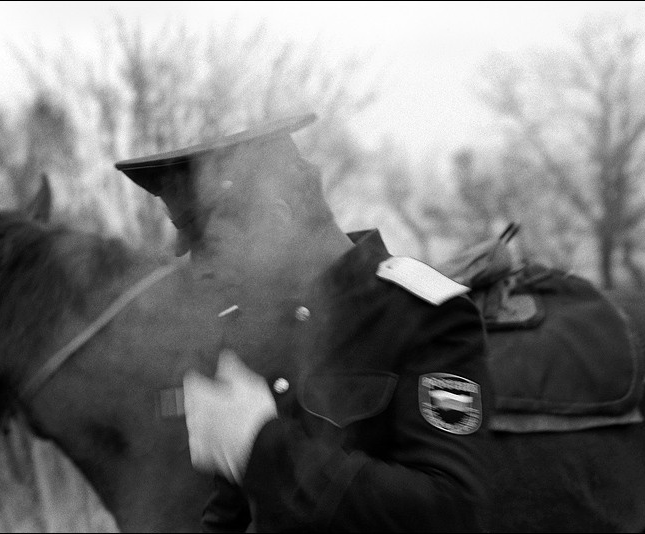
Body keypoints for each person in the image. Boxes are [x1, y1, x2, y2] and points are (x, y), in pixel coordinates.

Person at [115, 113, 494, 532]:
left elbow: (450, 511)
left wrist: (263, 446)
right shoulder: (240, 335)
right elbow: (228, 518)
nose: (195, 267)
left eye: (210, 244)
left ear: (277, 221)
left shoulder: (422, 317)